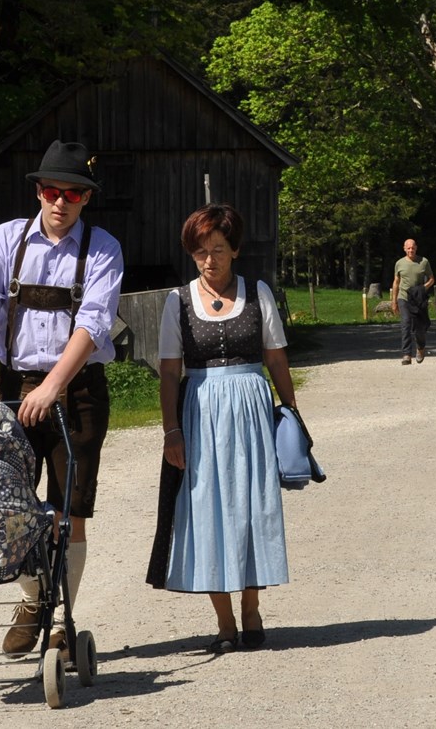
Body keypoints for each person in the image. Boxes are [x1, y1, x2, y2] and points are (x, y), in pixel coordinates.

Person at [0, 140, 125, 658]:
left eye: (73, 193)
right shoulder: (7, 240)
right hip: (11, 389)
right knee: (9, 504)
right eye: (53, 191)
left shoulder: (102, 248)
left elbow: (94, 322)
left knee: (66, 511)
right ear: (38, 191)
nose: (61, 202)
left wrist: (54, 384)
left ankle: (62, 622)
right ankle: (33, 601)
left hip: (77, 392)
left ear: (85, 199)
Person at [149, 203, 295, 654]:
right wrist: (172, 431)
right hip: (201, 414)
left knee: (253, 509)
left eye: (217, 249)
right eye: (199, 251)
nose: (209, 259)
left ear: (234, 249)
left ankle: (252, 609)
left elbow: (275, 359)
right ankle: (225, 621)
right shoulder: (178, 301)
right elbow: (171, 373)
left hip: (251, 410)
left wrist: (290, 416)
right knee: (207, 511)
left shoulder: (259, 293)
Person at [391, 238, 436, 364]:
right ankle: (406, 354)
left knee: (419, 328)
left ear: (416, 248)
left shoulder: (423, 262)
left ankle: (421, 348)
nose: (411, 250)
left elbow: (432, 279)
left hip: (418, 299)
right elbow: (396, 282)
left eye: (413, 248)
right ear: (404, 249)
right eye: (408, 248)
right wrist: (393, 301)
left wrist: (422, 288)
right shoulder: (399, 263)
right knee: (406, 323)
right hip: (404, 297)